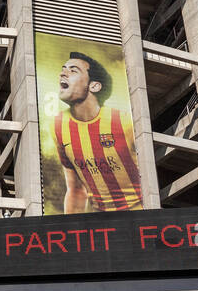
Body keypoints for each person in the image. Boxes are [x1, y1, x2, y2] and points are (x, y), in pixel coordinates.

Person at [51, 51, 141, 212]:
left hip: (140, 219)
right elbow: (76, 190)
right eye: (63, 68)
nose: (62, 73)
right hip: (101, 225)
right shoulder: (58, 125)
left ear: (94, 86)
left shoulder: (125, 122)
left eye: (73, 70)